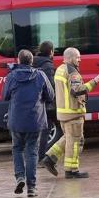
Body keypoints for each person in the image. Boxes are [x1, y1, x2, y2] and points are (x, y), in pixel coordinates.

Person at [2, 49, 54, 197]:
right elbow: (50, 96)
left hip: (16, 120)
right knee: (31, 152)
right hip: (35, 120)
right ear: (32, 61)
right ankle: (32, 188)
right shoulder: (40, 75)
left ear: (18, 61)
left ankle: (20, 177)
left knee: (17, 148)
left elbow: (4, 96)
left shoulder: (11, 76)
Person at [43, 47, 99, 179]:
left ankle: (50, 158)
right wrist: (94, 82)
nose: (80, 59)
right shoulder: (72, 72)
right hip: (73, 113)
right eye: (77, 57)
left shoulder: (60, 69)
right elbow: (77, 90)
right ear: (70, 58)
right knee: (75, 142)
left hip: (63, 113)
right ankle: (71, 170)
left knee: (68, 138)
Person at [34, 41, 61, 175]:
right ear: (50, 51)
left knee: (45, 129)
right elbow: (50, 85)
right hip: (48, 103)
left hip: (38, 102)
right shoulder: (48, 65)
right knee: (59, 129)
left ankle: (42, 157)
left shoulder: (34, 62)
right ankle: (47, 157)